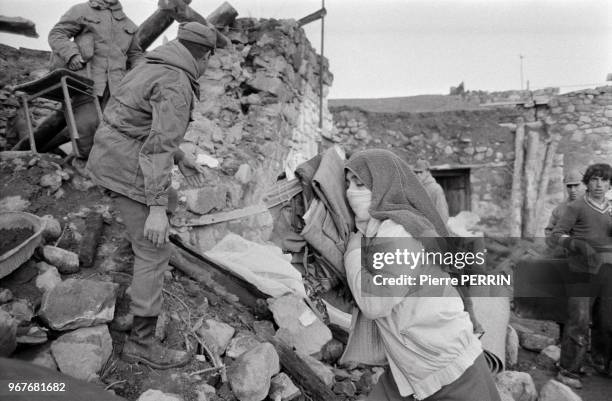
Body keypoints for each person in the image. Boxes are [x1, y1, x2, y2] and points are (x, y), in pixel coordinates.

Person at [87, 22, 221, 369]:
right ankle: (141, 344)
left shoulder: (151, 65)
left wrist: (180, 156)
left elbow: (139, 123)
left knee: (165, 207)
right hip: (126, 166)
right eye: (209, 60)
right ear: (203, 56)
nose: (207, 68)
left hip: (109, 156)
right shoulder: (176, 82)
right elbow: (157, 147)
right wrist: (157, 209)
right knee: (154, 250)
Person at [341, 149, 500, 401]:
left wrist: (352, 250)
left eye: (360, 185)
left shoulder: (398, 234)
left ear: (384, 187)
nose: (351, 192)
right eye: (348, 184)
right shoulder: (380, 230)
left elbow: (375, 302)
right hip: (415, 361)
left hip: (445, 366)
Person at [22, 0, 143, 158]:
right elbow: (57, 34)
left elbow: (135, 54)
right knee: (87, 131)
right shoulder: (82, 10)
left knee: (115, 132)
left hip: (116, 88)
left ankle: (104, 172)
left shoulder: (129, 24)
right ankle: (83, 166)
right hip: (86, 82)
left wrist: (143, 69)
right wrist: (72, 54)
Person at [552, 163, 612, 388]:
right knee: (578, 322)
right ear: (588, 182)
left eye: (604, 180)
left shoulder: (610, 208)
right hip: (581, 271)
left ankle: (600, 361)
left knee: (606, 321)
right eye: (594, 179)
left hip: (607, 272)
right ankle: (568, 370)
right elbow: (556, 235)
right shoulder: (576, 207)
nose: (599, 185)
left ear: (609, 184)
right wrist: (577, 245)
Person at [544, 170, 582, 255]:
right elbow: (549, 233)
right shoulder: (559, 210)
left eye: (576, 185)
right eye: (569, 186)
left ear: (584, 185)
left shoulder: (595, 205)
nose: (573, 190)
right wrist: (560, 247)